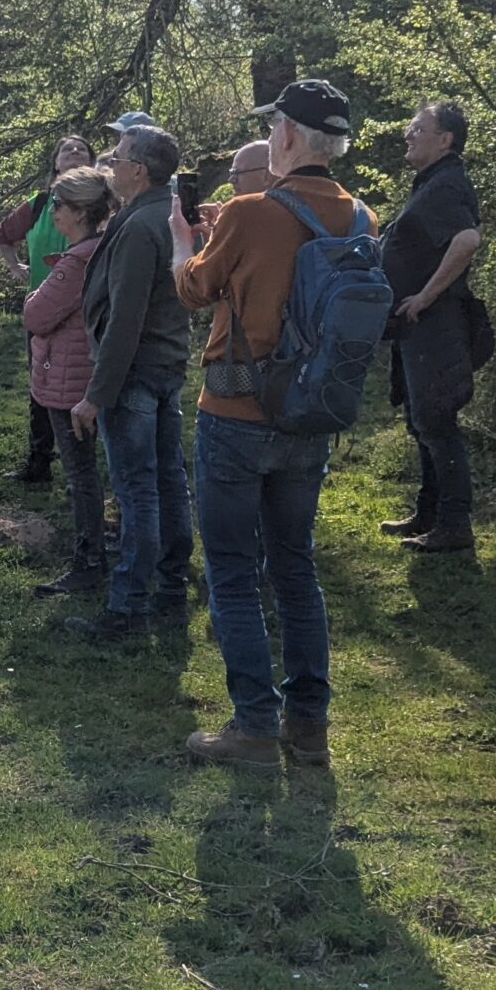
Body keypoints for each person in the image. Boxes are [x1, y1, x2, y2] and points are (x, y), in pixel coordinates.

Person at [168, 78, 363, 768]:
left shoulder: (251, 212)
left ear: (284, 135)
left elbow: (193, 289)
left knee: (230, 569)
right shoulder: (361, 217)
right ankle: (308, 726)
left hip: (236, 412)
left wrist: (183, 241)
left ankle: (253, 726)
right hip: (311, 416)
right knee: (295, 567)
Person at [65, 116, 194, 637]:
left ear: (138, 170)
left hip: (136, 375)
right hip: (163, 368)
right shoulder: (161, 213)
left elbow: (126, 318)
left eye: (116, 158)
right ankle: (169, 589)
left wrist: (96, 395)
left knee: (139, 490)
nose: (109, 165)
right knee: (168, 483)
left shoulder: (144, 226)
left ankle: (129, 606)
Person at [381, 100, 485, 552]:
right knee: (421, 421)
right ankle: (428, 514)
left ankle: (454, 525)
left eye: (418, 128)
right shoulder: (430, 183)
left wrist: (425, 295)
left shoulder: (445, 185)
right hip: (417, 328)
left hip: (436, 326)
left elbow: (467, 239)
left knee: (436, 421)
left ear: (445, 140)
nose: (409, 134)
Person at [22, 165, 117, 594]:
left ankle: (88, 560)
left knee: (81, 474)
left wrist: (35, 293)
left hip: (70, 379)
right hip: (89, 374)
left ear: (80, 212)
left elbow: (36, 316)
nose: (53, 212)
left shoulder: (77, 261)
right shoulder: (106, 249)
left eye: (58, 205)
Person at [0, 131, 98, 482]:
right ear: (54, 163)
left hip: (90, 309)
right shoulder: (39, 203)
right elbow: (3, 235)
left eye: (81, 149)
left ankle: (85, 470)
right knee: (42, 384)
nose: (74, 151)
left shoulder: (105, 207)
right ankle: (40, 462)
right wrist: (15, 267)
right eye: (66, 149)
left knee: (86, 386)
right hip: (44, 309)